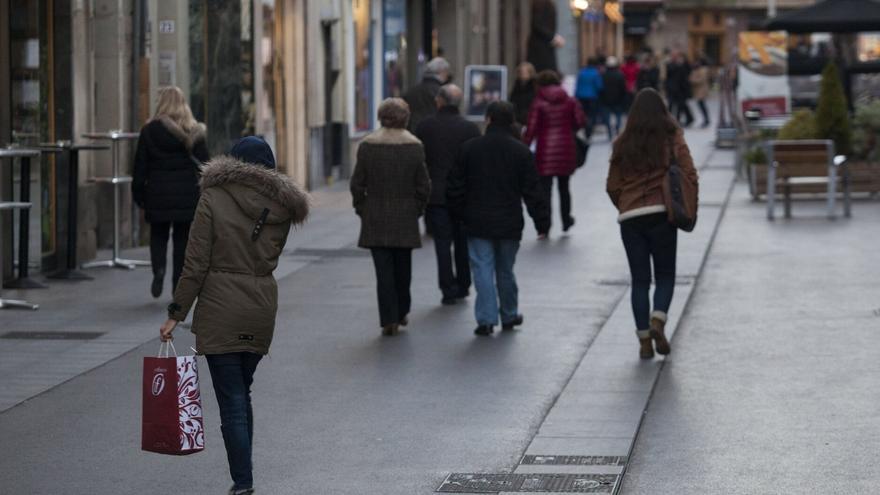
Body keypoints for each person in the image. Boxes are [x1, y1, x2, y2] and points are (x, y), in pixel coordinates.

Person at [159, 136, 310, 495]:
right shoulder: (284, 207)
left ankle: (243, 482)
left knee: (232, 399)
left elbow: (195, 263)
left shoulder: (212, 198)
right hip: (260, 306)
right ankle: (244, 476)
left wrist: (175, 314)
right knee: (242, 392)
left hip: (221, 307)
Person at [606, 88, 698, 359]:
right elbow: (689, 173)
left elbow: (612, 185)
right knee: (666, 275)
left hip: (630, 217)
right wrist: (688, 205)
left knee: (639, 281)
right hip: (662, 213)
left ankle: (644, 341)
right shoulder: (672, 138)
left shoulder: (622, 142)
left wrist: (624, 205)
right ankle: (658, 320)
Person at [448, 101, 550, 336]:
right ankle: (509, 314)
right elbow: (533, 191)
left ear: (489, 119)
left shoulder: (470, 148)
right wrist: (541, 221)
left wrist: (459, 214)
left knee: (482, 268)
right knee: (505, 269)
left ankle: (485, 319)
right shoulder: (521, 152)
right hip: (509, 221)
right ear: (512, 122)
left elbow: (455, 187)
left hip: (477, 220)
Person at [351, 98, 432, 336]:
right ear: (405, 119)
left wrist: (362, 208)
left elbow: (357, 184)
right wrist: (417, 209)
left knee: (383, 271)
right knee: (403, 268)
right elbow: (423, 185)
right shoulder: (414, 146)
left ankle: (388, 318)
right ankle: (401, 310)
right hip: (405, 216)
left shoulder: (368, 145)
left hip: (375, 215)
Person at [133, 86, 209, 299]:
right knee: (182, 240)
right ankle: (178, 284)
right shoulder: (195, 131)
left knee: (158, 235)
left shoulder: (149, 131)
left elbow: (140, 166)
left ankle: (158, 269)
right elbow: (205, 166)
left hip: (157, 193)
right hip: (187, 194)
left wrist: (138, 194)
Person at [415, 85, 481, 305]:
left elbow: (419, 160)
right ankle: (463, 283)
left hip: (436, 196)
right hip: (463, 195)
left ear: (439, 101)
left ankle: (448, 288)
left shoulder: (425, 127)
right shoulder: (470, 128)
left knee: (442, 244)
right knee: (462, 242)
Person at [523, 70, 585, 235]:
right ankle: (566, 221)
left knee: (545, 190)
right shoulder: (570, 100)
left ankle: (545, 226)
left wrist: (524, 146)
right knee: (564, 187)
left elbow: (531, 128)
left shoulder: (538, 102)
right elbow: (579, 122)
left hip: (545, 150)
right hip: (566, 147)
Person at [403, 57, 451, 133]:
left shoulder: (411, 91)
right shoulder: (442, 92)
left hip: (412, 133)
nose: (447, 75)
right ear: (442, 71)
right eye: (446, 72)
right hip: (434, 133)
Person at [526, 0, 564, 73]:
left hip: (545, 46)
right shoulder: (542, 4)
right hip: (540, 49)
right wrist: (553, 37)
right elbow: (536, 24)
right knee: (546, 74)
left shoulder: (547, 4)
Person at [575, 57, 604, 139]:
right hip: (592, 97)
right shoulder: (596, 73)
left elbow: (577, 85)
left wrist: (576, 96)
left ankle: (586, 128)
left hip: (581, 97)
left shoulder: (581, 72)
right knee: (591, 115)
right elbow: (599, 86)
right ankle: (589, 131)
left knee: (584, 113)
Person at [601, 56, 628, 139]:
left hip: (606, 99)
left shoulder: (603, 75)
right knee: (618, 116)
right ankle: (617, 130)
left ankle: (609, 133)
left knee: (607, 117)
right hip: (618, 98)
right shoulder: (620, 74)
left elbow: (600, 87)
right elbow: (623, 87)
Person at [665, 52, 694, 127]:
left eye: (676, 56)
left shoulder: (682, 65)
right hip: (672, 89)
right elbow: (668, 75)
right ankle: (669, 121)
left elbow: (686, 74)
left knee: (681, 106)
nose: (674, 58)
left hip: (680, 90)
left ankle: (681, 120)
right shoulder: (670, 65)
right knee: (671, 106)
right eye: (673, 56)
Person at [509, 62, 538, 127]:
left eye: (525, 72)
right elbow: (512, 102)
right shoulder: (516, 87)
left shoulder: (535, 88)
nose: (522, 74)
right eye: (521, 72)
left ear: (530, 73)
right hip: (517, 121)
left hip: (530, 121)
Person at [689, 56, 711, 128]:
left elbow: (700, 80)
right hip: (699, 90)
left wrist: (692, 80)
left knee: (702, 105)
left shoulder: (703, 70)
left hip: (701, 90)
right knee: (701, 105)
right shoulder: (699, 70)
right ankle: (706, 119)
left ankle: (706, 120)